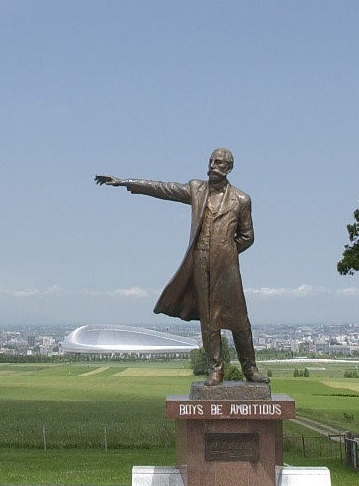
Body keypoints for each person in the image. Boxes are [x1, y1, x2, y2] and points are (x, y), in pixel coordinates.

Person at [96, 148, 264, 385]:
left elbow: (247, 236)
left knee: (240, 320)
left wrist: (225, 251)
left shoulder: (242, 199)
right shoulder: (197, 189)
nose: (213, 166)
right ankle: (216, 369)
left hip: (227, 269)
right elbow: (164, 189)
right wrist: (125, 182)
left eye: (219, 162)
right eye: (211, 161)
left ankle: (251, 369)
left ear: (229, 167)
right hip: (200, 264)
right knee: (209, 320)